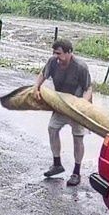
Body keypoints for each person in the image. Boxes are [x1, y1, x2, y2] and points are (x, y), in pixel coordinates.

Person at [33, 39, 93, 186]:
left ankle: (76, 173)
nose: (56, 56)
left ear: (69, 53)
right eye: (54, 52)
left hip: (76, 107)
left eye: (59, 53)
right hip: (60, 104)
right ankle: (57, 164)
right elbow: (43, 74)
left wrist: (82, 104)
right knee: (52, 129)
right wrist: (36, 87)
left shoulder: (80, 67)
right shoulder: (53, 62)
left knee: (77, 138)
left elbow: (88, 88)